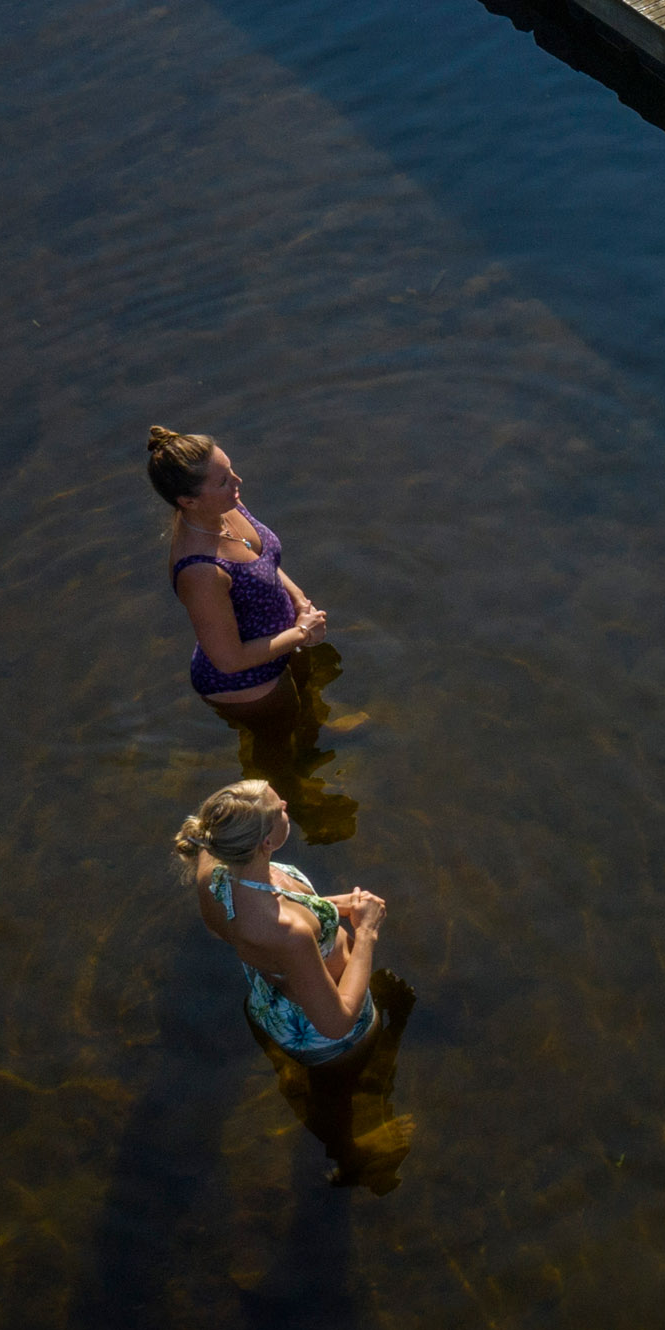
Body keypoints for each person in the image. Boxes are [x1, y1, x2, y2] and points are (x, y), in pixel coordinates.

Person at [172, 778, 414, 1190]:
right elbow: (335, 1022)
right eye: (278, 809)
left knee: (331, 1085)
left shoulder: (212, 864)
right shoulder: (287, 931)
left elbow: (235, 926)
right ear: (266, 843)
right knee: (337, 1095)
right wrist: (367, 933)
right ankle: (349, 1155)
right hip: (320, 1031)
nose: (286, 802)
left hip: (270, 993)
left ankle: (304, 1091)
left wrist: (336, 908)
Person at [148, 427, 328, 716]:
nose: (237, 481)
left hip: (284, 642)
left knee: (309, 719)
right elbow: (230, 660)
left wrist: (298, 599)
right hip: (247, 683)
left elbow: (264, 562)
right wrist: (303, 632)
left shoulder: (224, 507)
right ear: (188, 501)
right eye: (222, 481)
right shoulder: (200, 571)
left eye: (230, 470)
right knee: (280, 752)